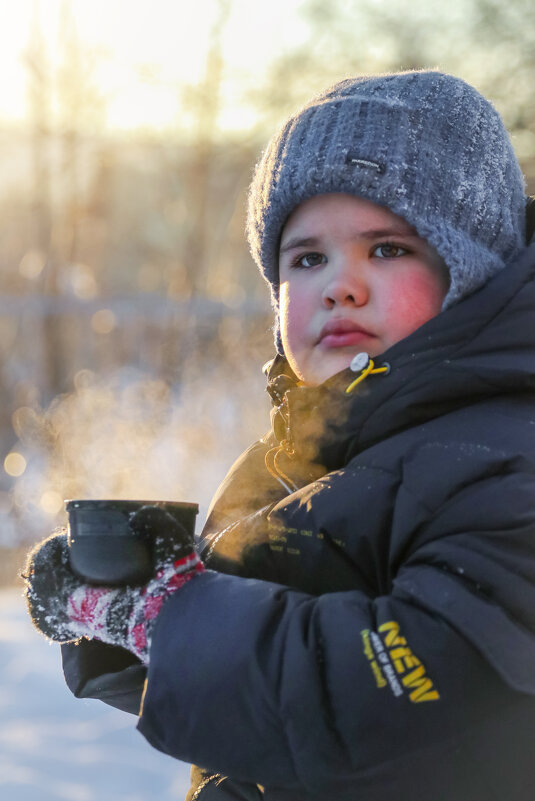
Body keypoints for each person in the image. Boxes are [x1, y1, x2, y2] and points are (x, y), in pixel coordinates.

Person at [23, 70, 535, 800]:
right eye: (307, 258)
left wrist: (172, 618)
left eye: (386, 249)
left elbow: (406, 685)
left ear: (473, 270)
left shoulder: (507, 458)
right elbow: (271, 705)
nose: (340, 284)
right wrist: (124, 613)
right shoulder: (285, 463)